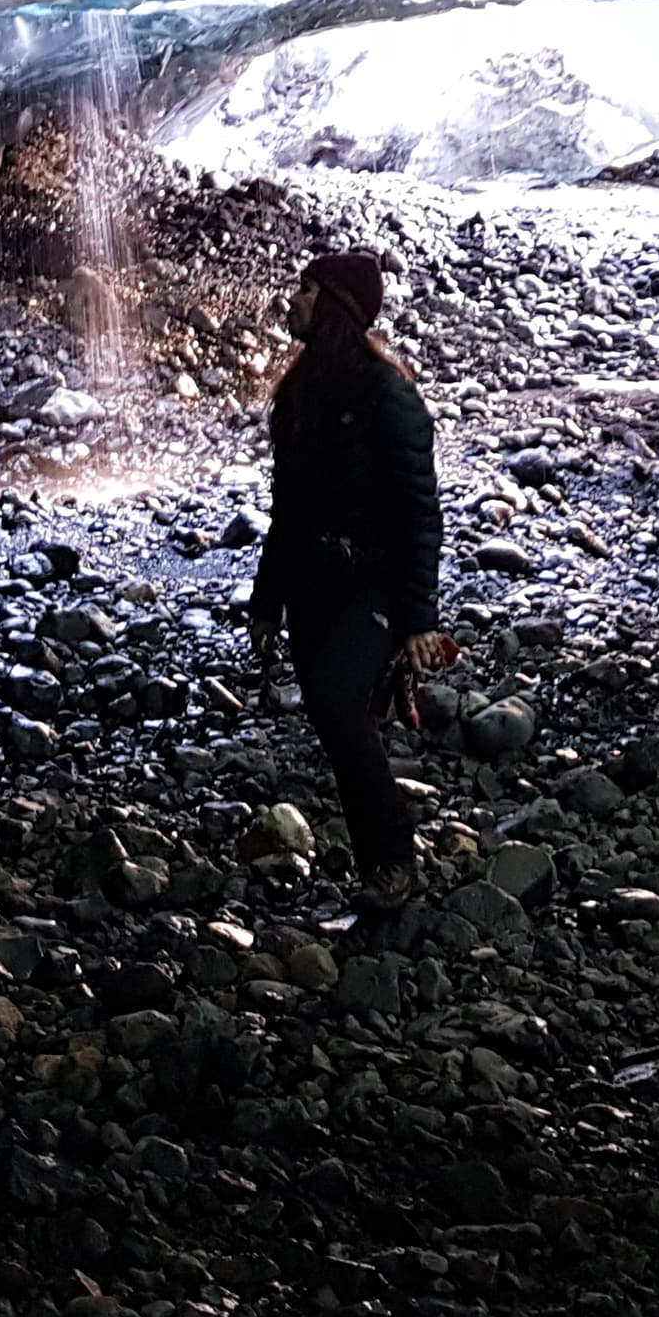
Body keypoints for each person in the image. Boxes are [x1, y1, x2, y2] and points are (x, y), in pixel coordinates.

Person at [247, 249, 448, 908]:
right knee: (336, 721)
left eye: (304, 290)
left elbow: (420, 512)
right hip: (312, 579)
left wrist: (418, 620)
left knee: (335, 704)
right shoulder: (301, 391)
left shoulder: (386, 394)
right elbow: (288, 508)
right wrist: (266, 603)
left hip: (375, 583)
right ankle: (376, 869)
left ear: (333, 306)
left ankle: (394, 866)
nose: (292, 300)